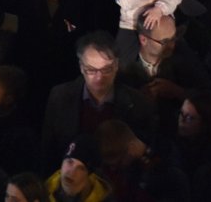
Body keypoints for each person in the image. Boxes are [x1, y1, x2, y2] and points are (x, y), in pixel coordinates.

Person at [41, 31, 155, 171]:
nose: (99, 78)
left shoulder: (138, 103)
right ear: (81, 67)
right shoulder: (60, 97)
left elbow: (152, 147)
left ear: (117, 65)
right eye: (91, 70)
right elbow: (48, 150)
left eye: (106, 69)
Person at [44, 134, 113, 202]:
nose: (72, 172)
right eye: (70, 162)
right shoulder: (42, 193)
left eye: (81, 168)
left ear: (88, 175)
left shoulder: (104, 199)